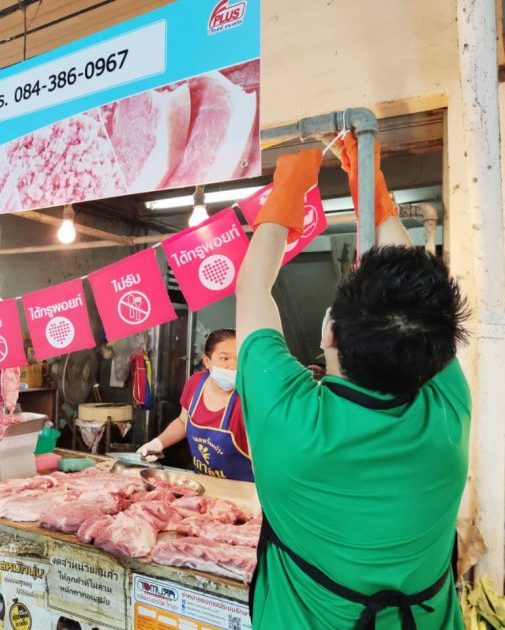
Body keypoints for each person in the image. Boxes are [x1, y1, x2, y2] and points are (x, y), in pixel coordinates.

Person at [236, 134, 470, 628]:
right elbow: (418, 315)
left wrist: (290, 187)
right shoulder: (447, 416)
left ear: (329, 332)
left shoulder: (293, 422)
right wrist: (373, 192)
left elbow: (253, 284)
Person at [137, 329, 253, 481]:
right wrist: (158, 443)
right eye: (224, 358)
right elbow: (183, 420)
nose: (233, 366)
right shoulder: (196, 382)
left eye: (239, 359)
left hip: (242, 489)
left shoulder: (249, 399)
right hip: (203, 483)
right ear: (207, 361)